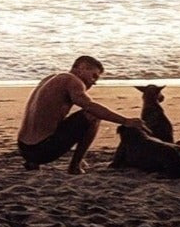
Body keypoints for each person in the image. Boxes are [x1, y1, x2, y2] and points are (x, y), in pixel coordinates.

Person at [16, 55, 148, 173]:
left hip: (24, 148)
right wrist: (125, 121)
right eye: (94, 76)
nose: (94, 82)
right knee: (93, 115)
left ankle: (32, 163)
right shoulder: (73, 80)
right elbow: (90, 106)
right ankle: (75, 165)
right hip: (42, 149)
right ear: (81, 68)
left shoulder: (50, 79)